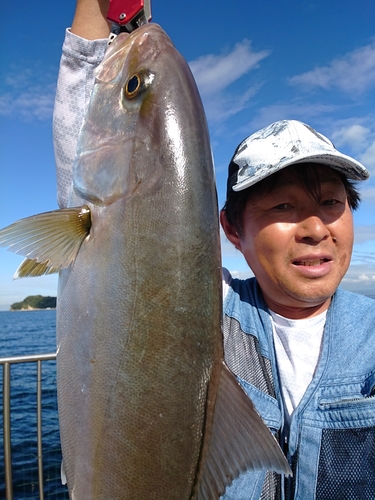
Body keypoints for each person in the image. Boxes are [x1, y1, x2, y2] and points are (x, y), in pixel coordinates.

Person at [53, 2, 375, 498]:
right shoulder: (204, 313)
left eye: (332, 203)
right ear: (230, 230)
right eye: (283, 206)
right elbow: (86, 121)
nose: (315, 227)